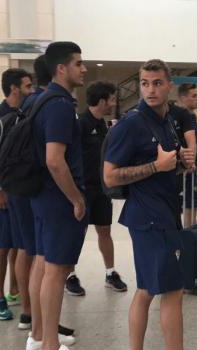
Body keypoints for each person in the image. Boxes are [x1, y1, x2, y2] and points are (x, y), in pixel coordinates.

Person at [103, 59, 197, 350]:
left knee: (146, 289)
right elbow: (110, 176)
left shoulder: (167, 121)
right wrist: (157, 167)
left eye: (156, 83)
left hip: (161, 213)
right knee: (173, 291)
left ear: (168, 85)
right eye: (145, 83)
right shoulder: (131, 123)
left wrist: (180, 162)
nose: (150, 89)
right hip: (151, 219)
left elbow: (166, 164)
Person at [29, 41, 92, 350]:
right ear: (61, 69)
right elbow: (56, 161)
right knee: (56, 271)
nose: (83, 68)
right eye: (78, 63)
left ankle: (40, 335)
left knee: (43, 265)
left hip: (42, 197)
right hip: (58, 199)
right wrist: (76, 199)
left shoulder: (42, 101)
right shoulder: (60, 105)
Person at [64, 81, 128, 296]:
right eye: (111, 99)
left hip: (101, 189)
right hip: (82, 189)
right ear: (102, 101)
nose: (112, 103)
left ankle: (110, 273)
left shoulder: (103, 125)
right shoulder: (80, 124)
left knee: (104, 230)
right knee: (76, 234)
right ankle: (69, 275)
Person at [0, 68, 33, 321]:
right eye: (27, 86)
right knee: (2, 245)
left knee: (17, 243)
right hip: (0, 191)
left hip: (17, 191)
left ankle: (14, 290)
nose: (31, 90)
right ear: (14, 88)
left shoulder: (22, 114)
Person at [177, 83, 197, 228]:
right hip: (184, 170)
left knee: (194, 204)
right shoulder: (180, 116)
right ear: (183, 97)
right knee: (187, 204)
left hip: (193, 168)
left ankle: (192, 234)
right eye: (194, 96)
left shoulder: (193, 116)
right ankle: (187, 237)